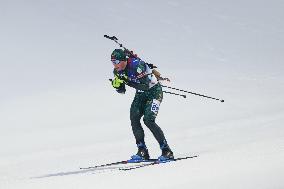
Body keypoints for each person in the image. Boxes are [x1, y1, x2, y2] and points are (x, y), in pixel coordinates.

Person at [110, 49, 174, 161]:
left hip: (154, 92)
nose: (114, 65)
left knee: (148, 120)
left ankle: (167, 151)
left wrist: (126, 81)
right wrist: (117, 86)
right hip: (140, 95)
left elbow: (144, 85)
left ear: (124, 60)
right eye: (112, 62)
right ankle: (142, 151)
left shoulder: (137, 65)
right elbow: (122, 91)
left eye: (116, 62)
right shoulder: (117, 71)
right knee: (134, 118)